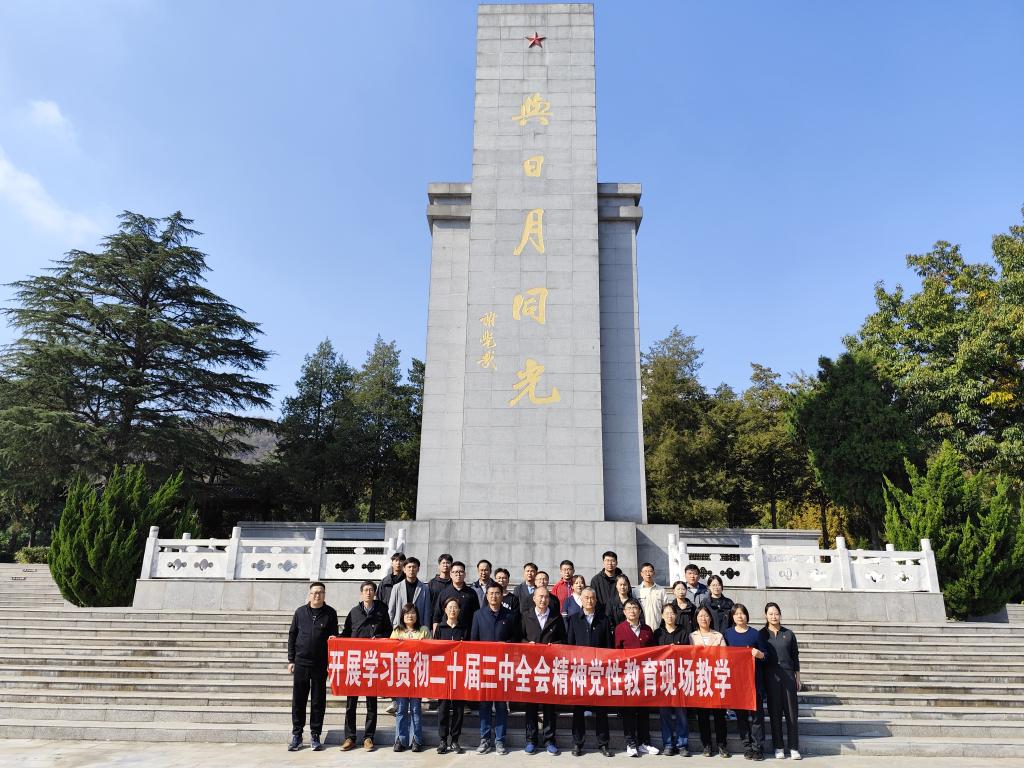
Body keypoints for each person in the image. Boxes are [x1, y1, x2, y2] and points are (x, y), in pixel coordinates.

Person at [340, 581, 392, 751]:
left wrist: (380, 637)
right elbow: (346, 633)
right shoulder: (354, 612)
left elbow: (389, 631)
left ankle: (369, 737)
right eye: (365, 590)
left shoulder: (381, 610)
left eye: (371, 590)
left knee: (371, 702)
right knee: (351, 703)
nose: (368, 592)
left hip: (372, 662)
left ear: (375, 593)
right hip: (355, 663)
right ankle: (350, 737)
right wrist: (336, 639)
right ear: (361, 593)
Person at [287, 582, 338, 752]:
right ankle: (297, 735)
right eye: (314, 592)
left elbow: (334, 638)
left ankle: (315, 735)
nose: (317, 595)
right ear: (309, 595)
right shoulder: (300, 612)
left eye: (320, 592)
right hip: (301, 662)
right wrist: (291, 660)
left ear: (324, 595)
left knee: (318, 701)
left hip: (320, 664)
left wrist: (332, 662)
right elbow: (292, 635)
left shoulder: (330, 613)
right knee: (298, 701)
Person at [471, 583, 521, 754]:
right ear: (486, 596)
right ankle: (484, 739)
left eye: (497, 593)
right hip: (484, 667)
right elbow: (474, 641)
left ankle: (500, 740)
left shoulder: (510, 615)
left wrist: (505, 644)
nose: (494, 596)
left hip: (502, 667)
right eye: (491, 593)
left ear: (502, 595)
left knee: (501, 706)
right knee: (484, 705)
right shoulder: (478, 615)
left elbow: (516, 639)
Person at [565, 587, 614, 757]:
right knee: (578, 709)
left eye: (592, 598)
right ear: (581, 600)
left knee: (601, 709)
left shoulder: (604, 620)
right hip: (579, 671)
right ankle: (578, 743)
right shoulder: (574, 619)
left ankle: (603, 744)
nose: (589, 600)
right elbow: (569, 645)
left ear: (596, 600)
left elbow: (608, 646)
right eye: (586, 597)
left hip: (599, 671)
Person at [521, 587, 567, 755]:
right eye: (540, 596)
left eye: (546, 597)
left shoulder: (556, 617)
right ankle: (531, 740)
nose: (543, 600)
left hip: (550, 667)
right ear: (534, 598)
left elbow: (564, 640)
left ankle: (549, 740)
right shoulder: (526, 616)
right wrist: (527, 644)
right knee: (531, 705)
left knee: (549, 705)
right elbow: (519, 638)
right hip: (531, 667)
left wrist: (555, 645)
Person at [613, 598, 660, 757]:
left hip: (644, 677)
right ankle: (631, 743)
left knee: (644, 711)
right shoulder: (620, 629)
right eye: (629, 608)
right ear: (624, 612)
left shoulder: (647, 629)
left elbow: (654, 652)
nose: (632, 610)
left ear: (640, 611)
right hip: (628, 677)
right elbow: (616, 653)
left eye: (635, 608)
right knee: (629, 711)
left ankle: (644, 742)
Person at [725, 604, 768, 761]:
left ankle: (758, 748)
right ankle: (747, 747)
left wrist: (760, 654)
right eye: (736, 614)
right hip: (737, 682)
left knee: (757, 717)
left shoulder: (756, 634)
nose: (740, 616)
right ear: (732, 617)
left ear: (747, 616)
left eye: (742, 613)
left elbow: (766, 655)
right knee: (741, 717)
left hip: (754, 681)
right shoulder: (728, 634)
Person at [760, 602, 801, 760]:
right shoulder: (762, 634)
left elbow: (795, 656)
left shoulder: (788, 634)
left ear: (780, 615)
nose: (774, 616)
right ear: (765, 616)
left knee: (792, 713)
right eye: (770, 614)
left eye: (776, 613)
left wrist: (797, 677)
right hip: (771, 677)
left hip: (788, 676)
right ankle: (779, 747)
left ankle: (794, 747)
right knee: (775, 713)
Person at [390, 604, 430, 752]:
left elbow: (430, 650)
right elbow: (389, 650)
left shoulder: (423, 630)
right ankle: (400, 740)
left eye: (413, 613)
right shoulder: (397, 631)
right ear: (402, 616)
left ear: (417, 615)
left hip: (417, 675)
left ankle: (416, 740)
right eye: (407, 613)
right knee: (401, 709)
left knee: (415, 709)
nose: (410, 616)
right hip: (402, 676)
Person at [690, 606, 728, 758]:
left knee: (719, 715)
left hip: (716, 678)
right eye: (700, 616)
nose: (703, 618)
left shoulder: (718, 635)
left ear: (711, 618)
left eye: (706, 616)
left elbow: (724, 655)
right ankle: (706, 745)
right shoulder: (692, 636)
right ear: (696, 619)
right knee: (703, 715)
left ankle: (722, 745)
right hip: (700, 678)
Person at [434, 596, 469, 754]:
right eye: (450, 607)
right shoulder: (440, 629)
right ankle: (442, 740)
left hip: (459, 675)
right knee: (443, 708)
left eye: (455, 607)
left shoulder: (464, 628)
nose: (453, 610)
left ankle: (455, 740)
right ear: (445, 610)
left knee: (458, 709)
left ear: (459, 610)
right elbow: (435, 651)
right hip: (444, 675)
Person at [653, 603, 689, 757]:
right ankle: (668, 744)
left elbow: (689, 654)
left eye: (672, 613)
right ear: (662, 615)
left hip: (680, 678)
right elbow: (653, 655)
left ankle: (682, 744)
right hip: (663, 679)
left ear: (676, 615)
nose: (669, 616)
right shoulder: (657, 633)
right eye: (666, 613)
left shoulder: (683, 632)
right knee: (665, 713)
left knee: (681, 713)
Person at [432, 561, 480, 631]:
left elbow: (476, 616)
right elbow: (437, 617)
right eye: (455, 572)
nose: (458, 574)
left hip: (466, 633)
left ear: (465, 574)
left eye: (461, 572)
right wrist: (435, 634)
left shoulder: (471, 593)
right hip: (446, 632)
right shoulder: (444, 593)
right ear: (451, 574)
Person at [386, 556, 431, 630]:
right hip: (400, 627)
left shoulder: (424, 588)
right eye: (409, 567)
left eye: (414, 567)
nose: (411, 569)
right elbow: (391, 610)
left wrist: (426, 628)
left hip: (418, 628)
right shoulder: (396, 587)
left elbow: (427, 612)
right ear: (404, 569)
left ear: (418, 569)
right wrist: (391, 628)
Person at [632, 562, 667, 630]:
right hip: (642, 629)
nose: (648, 574)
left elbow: (665, 609)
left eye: (650, 571)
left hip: (658, 628)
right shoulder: (636, 591)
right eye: (645, 571)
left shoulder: (661, 590)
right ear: (641, 574)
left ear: (654, 573)